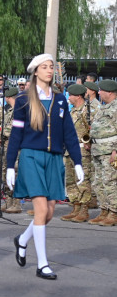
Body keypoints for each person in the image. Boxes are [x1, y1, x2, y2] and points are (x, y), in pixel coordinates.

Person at [6, 54, 82, 280]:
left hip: (54, 159)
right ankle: (42, 264)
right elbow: (16, 135)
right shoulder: (23, 100)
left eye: (51, 67)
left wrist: (77, 162)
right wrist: (11, 165)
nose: (49, 70)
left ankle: (22, 240)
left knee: (48, 213)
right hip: (31, 157)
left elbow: (69, 132)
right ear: (35, 72)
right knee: (41, 210)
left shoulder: (60, 100)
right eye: (45, 67)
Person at [60, 84, 94, 223]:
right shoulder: (72, 111)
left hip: (82, 150)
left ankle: (84, 210)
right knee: (71, 180)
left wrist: (90, 142)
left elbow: (94, 128)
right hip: (70, 149)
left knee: (82, 180)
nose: (69, 97)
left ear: (78, 96)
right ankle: (76, 207)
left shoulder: (88, 111)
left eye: (71, 95)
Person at [87, 80, 117, 226]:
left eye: (101, 90)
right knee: (99, 182)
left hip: (109, 151)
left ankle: (114, 213)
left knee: (110, 182)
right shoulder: (104, 108)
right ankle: (104, 210)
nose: (98, 92)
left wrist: (115, 151)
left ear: (110, 92)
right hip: (98, 150)